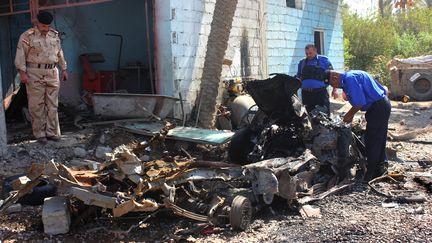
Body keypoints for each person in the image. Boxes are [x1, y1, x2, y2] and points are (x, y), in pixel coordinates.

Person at [325, 70, 391, 181]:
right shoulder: (351, 76)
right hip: (378, 106)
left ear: (335, 77)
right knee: (377, 138)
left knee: (373, 140)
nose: (333, 86)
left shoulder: (350, 79)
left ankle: (371, 174)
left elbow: (359, 103)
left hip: (378, 107)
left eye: (332, 84)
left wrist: (349, 115)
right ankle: (381, 167)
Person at [15, 11, 68, 144]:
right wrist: (22, 73)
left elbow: (59, 52)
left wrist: (64, 68)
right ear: (37, 23)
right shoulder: (27, 36)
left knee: (52, 104)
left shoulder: (54, 35)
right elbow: (20, 55)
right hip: (34, 72)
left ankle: (52, 132)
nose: (46, 29)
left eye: (48, 26)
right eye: (43, 26)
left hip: (52, 72)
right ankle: (40, 134)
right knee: (36, 105)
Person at [296, 44, 337, 114]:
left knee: (324, 115)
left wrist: (335, 90)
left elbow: (333, 76)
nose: (308, 55)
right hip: (306, 95)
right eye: (306, 53)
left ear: (315, 51)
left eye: (310, 53)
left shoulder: (324, 60)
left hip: (321, 94)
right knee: (308, 116)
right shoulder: (302, 63)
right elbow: (298, 77)